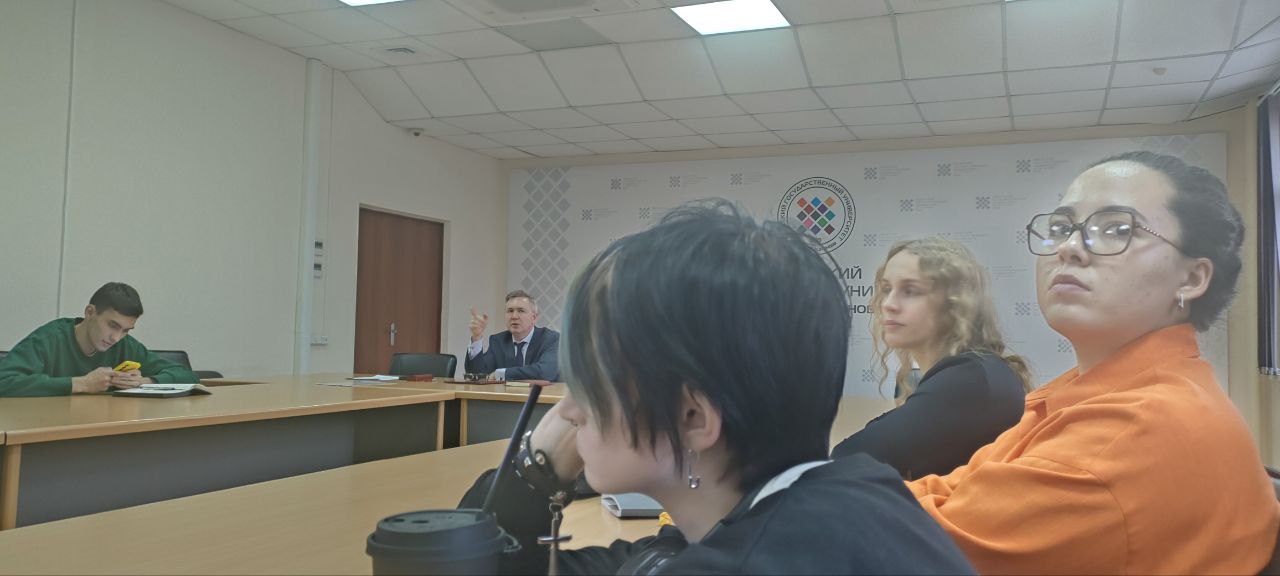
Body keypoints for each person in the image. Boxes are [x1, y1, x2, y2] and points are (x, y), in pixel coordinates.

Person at [460, 201, 974, 574]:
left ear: (692, 418)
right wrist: (534, 470)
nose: (569, 411)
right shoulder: (840, 497)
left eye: (590, 379)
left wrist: (536, 466)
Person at [907, 151, 1279, 572]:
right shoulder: (1089, 391)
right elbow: (957, 489)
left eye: (1117, 230)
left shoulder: (1132, 430)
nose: (1069, 248)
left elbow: (898, 548)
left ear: (1191, 279)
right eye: (1061, 228)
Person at [831, 237, 1030, 479]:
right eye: (886, 289)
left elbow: (847, 460)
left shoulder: (970, 380)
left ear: (955, 304)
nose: (888, 304)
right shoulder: (974, 370)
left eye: (910, 291)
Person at [0, 282, 200, 397]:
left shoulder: (125, 345)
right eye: (112, 325)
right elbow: (4, 381)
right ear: (90, 312)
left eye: (126, 330)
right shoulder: (49, 339)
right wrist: (80, 384)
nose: (116, 338)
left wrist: (142, 382)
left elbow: (187, 376)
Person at [466, 290, 560, 381]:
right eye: (510, 311)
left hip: (542, 392)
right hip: (506, 392)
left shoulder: (550, 338)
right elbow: (477, 375)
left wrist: (502, 374)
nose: (514, 316)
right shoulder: (498, 341)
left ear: (534, 318)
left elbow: (545, 372)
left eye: (521, 311)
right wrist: (476, 337)